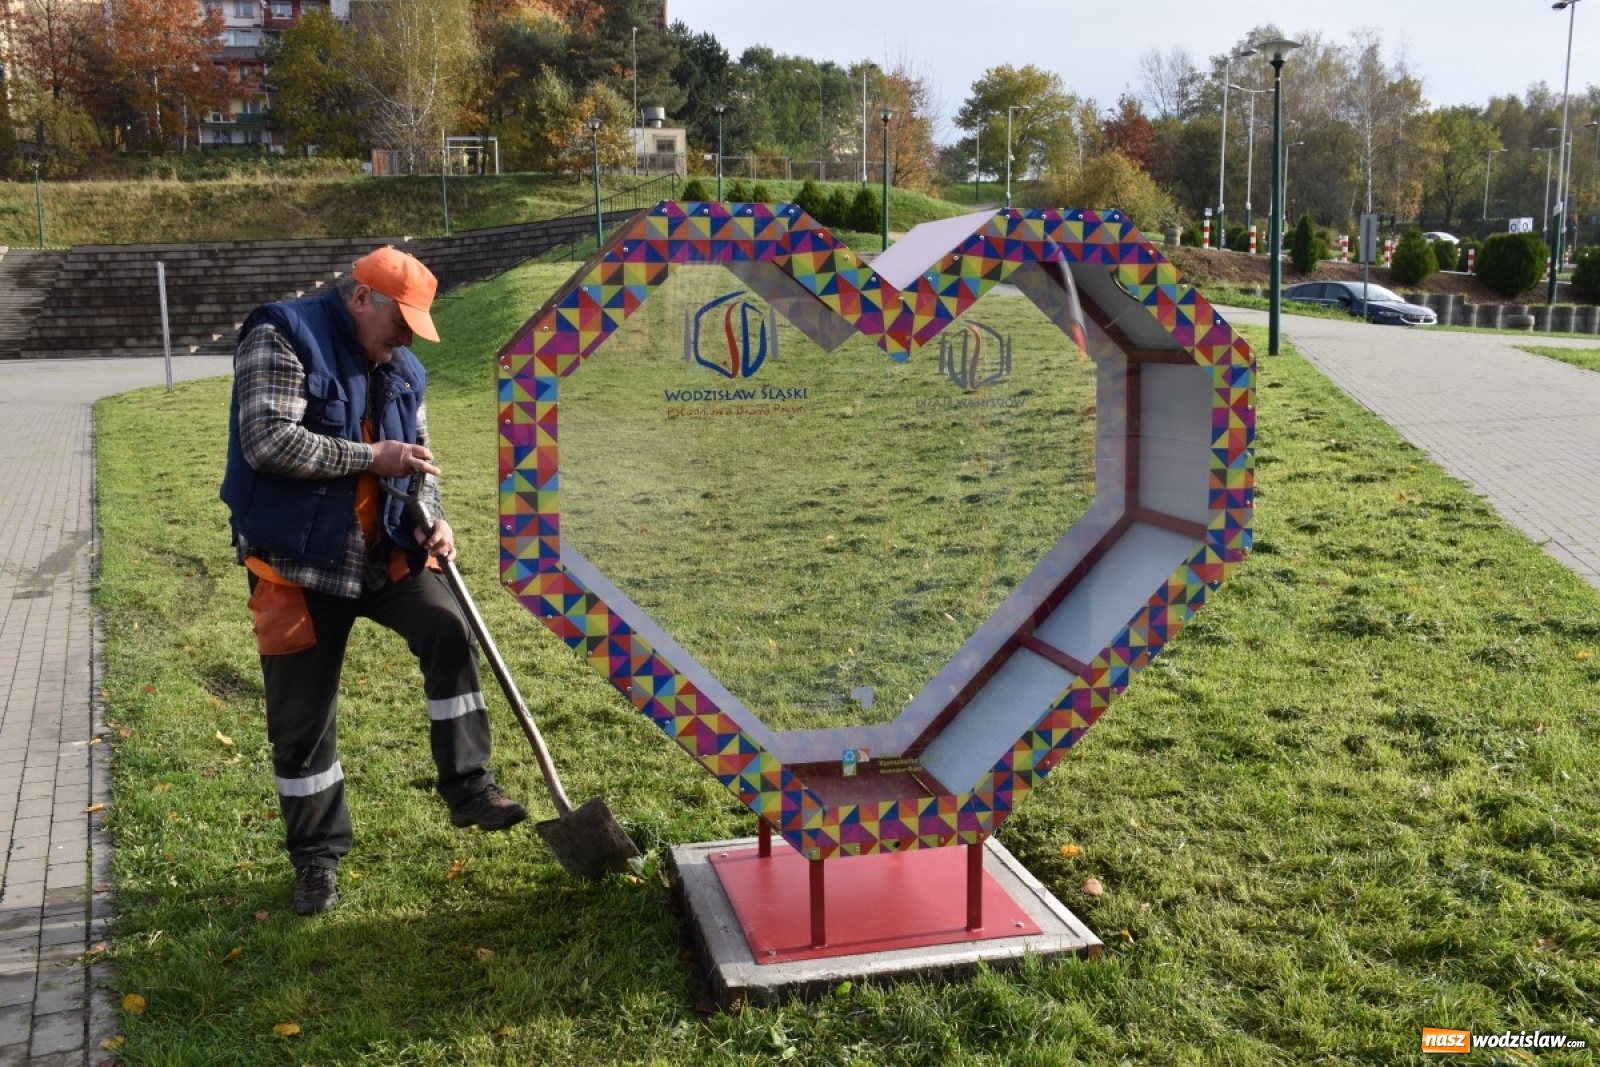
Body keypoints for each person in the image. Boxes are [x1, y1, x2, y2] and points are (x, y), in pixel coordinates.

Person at [220, 246, 527, 917]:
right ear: (362, 299)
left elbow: (418, 465)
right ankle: (317, 859)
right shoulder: (281, 335)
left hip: (380, 555)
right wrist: (369, 456)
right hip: (296, 567)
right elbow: (266, 440)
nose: (406, 340)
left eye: (416, 328)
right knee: (301, 724)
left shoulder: (404, 371)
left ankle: (469, 785)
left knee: (449, 628)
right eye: (401, 323)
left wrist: (435, 522)